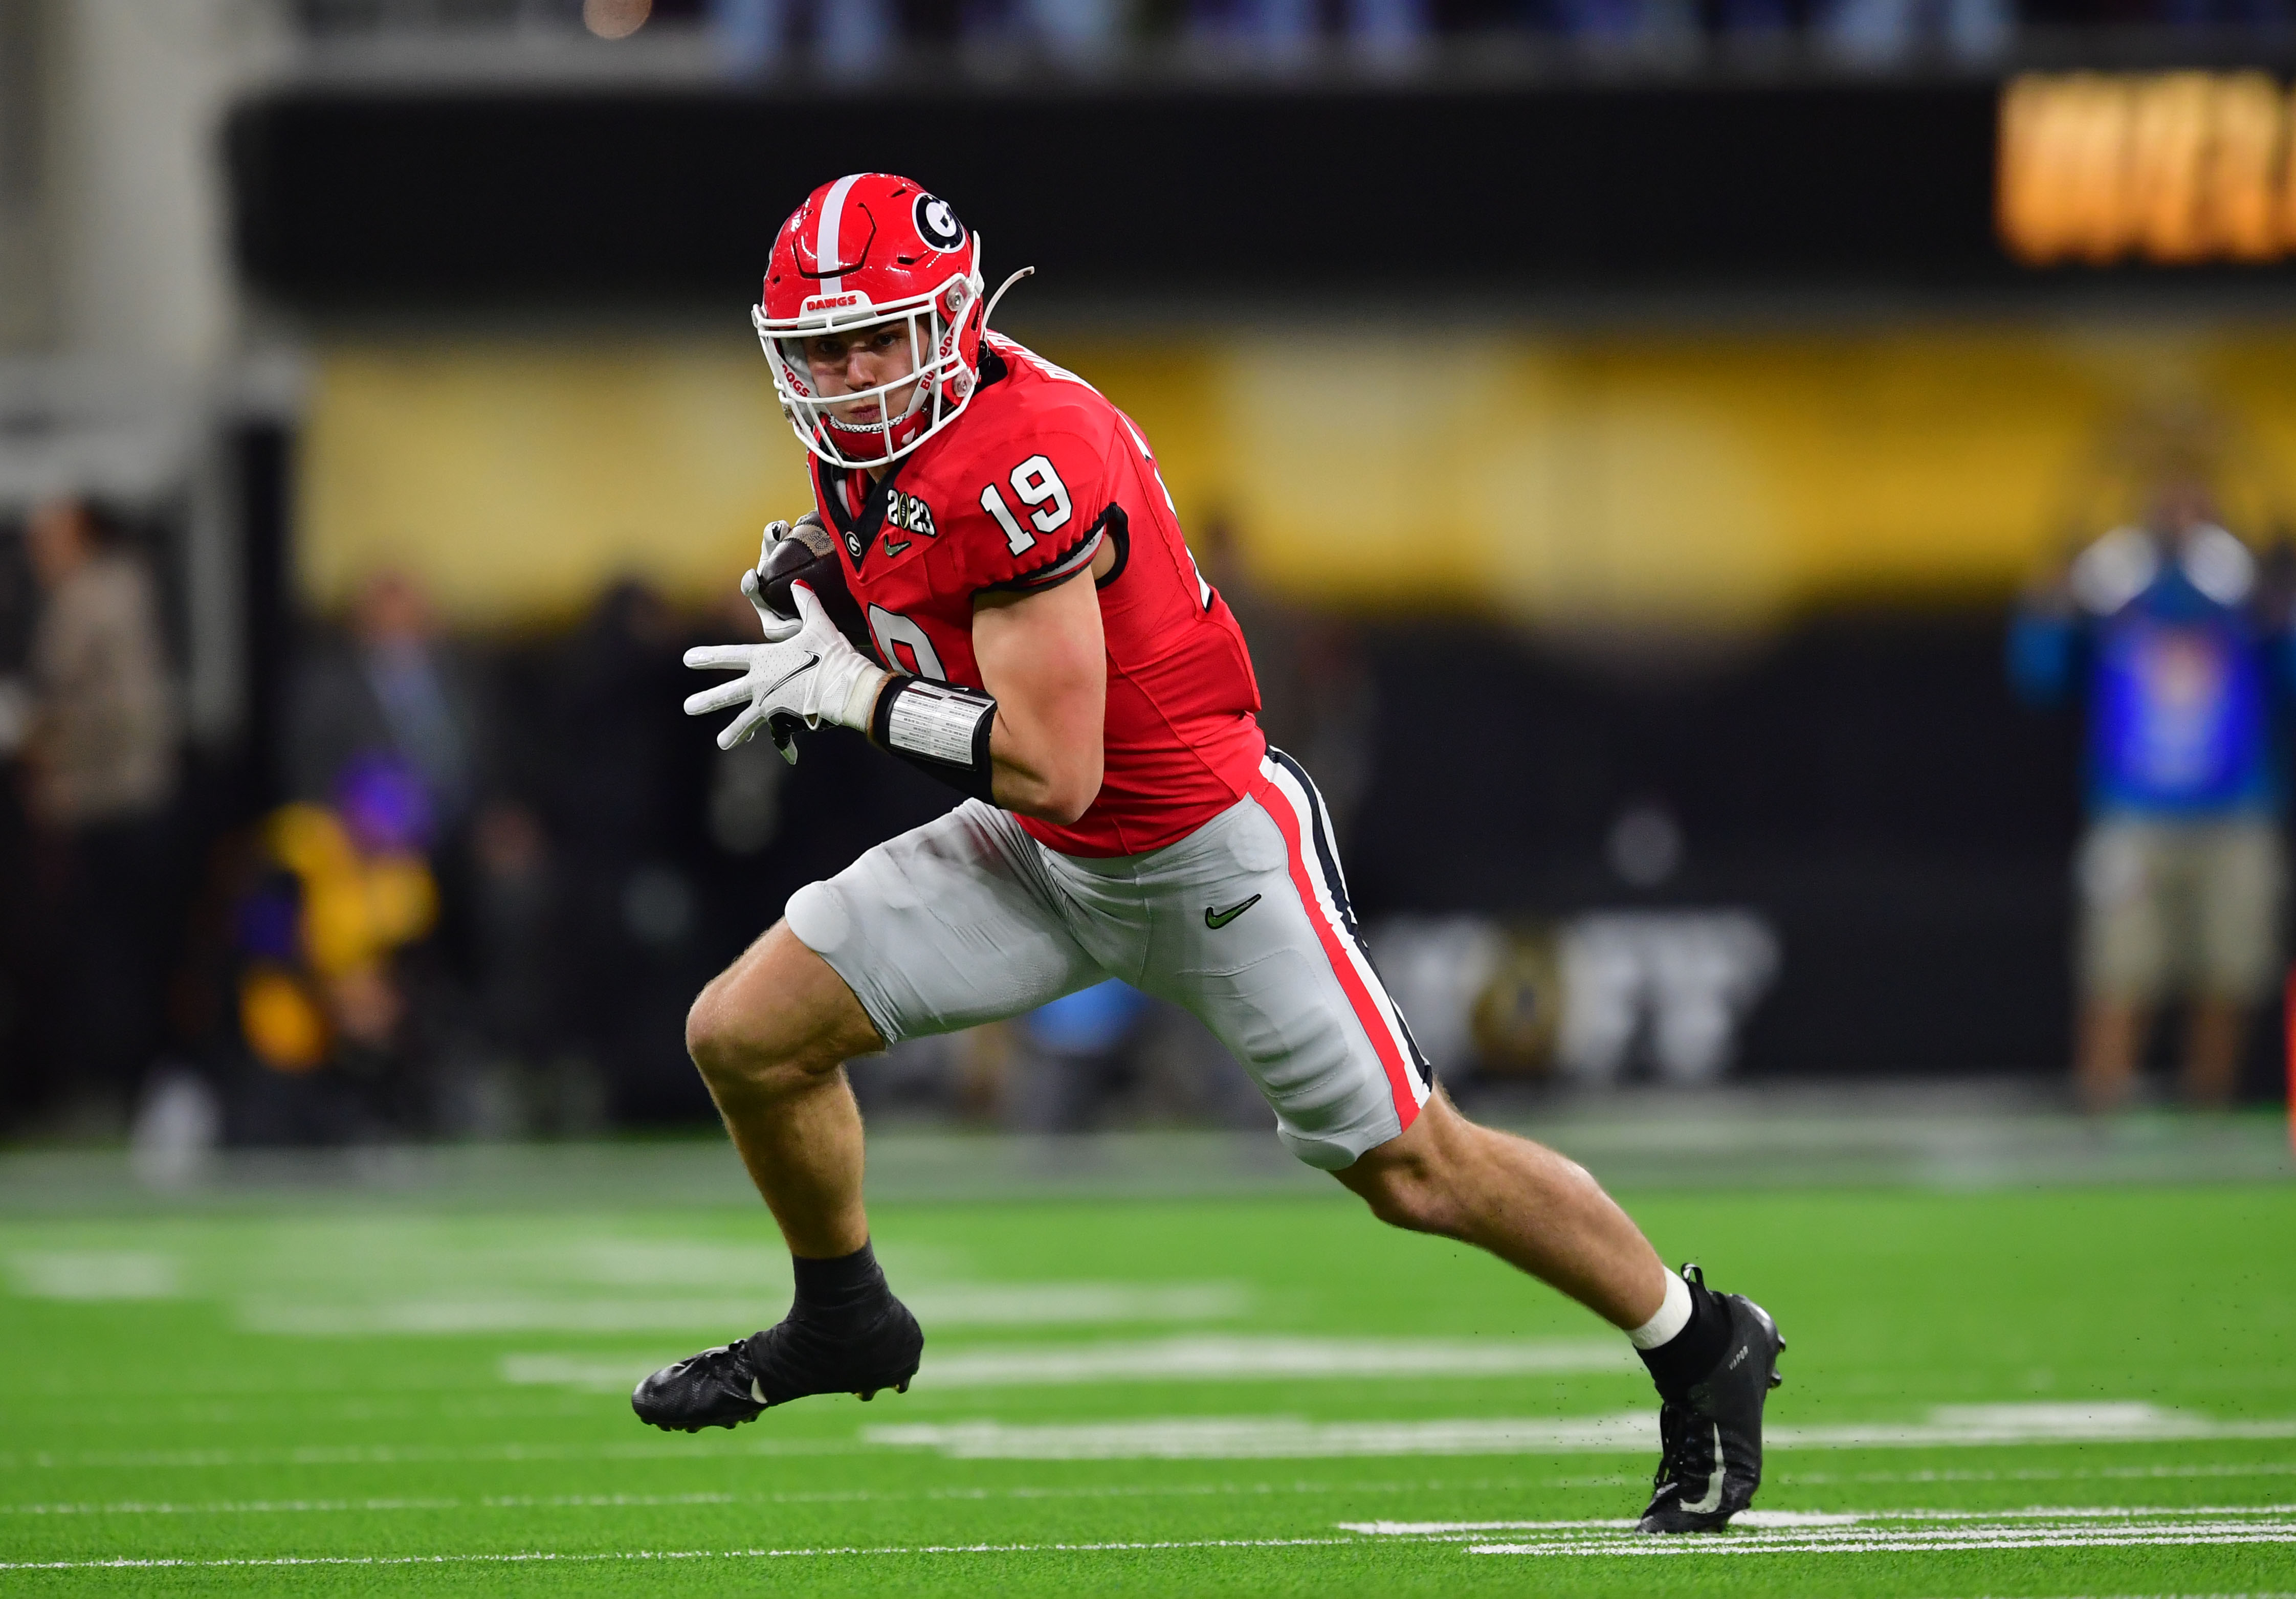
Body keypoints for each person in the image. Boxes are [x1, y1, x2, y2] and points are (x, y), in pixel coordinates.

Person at [638, 174, 1783, 1534]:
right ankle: (844, 1316)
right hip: (1045, 854)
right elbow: (945, 605)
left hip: (1200, 853)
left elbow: (1054, 752)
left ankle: (1701, 1338)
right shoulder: (895, 440)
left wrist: (861, 692)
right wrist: (835, 565)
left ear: (948, 319)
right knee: (746, 1032)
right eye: (819, 351)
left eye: (876, 339)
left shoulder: (1023, 453)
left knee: (1419, 1169)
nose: (847, 379)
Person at [2011, 480, 2293, 1112]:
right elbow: (2039, 674)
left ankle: (2207, 1105)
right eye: (2171, 510)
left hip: (2234, 814)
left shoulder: (2244, 598)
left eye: (2196, 510)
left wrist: (2281, 608)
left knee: (2229, 970)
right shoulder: (2120, 596)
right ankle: (2103, 1106)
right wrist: (2050, 604)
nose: (2183, 526)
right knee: (2118, 970)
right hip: (2133, 814)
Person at [21, 497, 177, 1116]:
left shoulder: (102, 594)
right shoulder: (95, 591)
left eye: (48, 537)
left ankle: (124, 1088)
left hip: (115, 802)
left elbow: (126, 714)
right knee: (96, 957)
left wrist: (42, 735)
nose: (37, 552)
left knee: (114, 958)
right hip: (99, 802)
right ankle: (110, 1084)